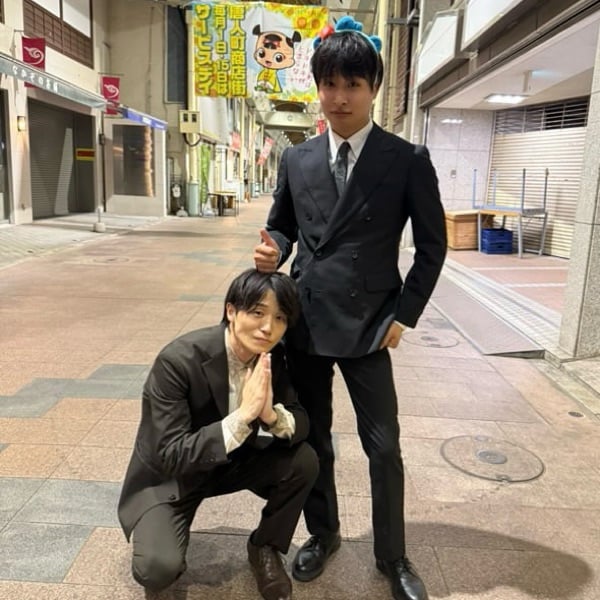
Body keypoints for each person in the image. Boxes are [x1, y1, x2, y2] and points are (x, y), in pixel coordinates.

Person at [253, 16, 447, 600]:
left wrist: (405, 315)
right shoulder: (298, 159)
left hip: (370, 324)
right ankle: (324, 533)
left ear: (374, 88)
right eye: (329, 84)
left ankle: (393, 555)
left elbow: (433, 246)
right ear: (317, 87)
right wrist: (273, 249)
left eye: (353, 85)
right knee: (313, 438)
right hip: (307, 319)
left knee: (383, 446)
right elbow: (283, 226)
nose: (339, 98)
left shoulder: (406, 158)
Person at [117, 269, 318, 600]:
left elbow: (301, 421)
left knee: (304, 461)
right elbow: (170, 453)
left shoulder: (271, 357)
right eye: (257, 313)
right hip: (175, 476)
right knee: (156, 569)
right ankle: (167, 539)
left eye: (280, 318)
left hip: (231, 463)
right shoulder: (177, 361)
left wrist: (270, 415)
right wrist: (244, 415)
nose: (268, 327)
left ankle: (264, 547)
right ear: (231, 311)